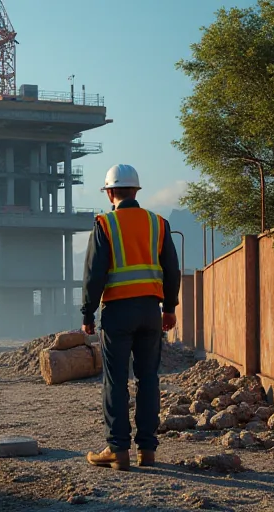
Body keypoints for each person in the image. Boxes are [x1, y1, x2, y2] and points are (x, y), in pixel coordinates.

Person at [83, 164, 181, 471]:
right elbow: (172, 269)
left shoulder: (105, 223)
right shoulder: (158, 223)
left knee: (116, 380)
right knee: (148, 378)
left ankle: (118, 450)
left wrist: (87, 312)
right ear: (136, 191)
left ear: (110, 192)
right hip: (151, 311)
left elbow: (94, 273)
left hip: (117, 312)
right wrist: (170, 308)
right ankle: (147, 451)